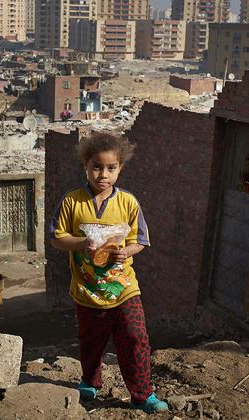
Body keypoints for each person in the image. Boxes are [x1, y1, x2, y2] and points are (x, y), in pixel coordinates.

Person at [50, 132, 169, 413]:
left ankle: (142, 393)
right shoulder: (72, 202)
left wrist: (125, 252)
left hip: (123, 285)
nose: (103, 174)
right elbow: (57, 238)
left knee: (135, 335)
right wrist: (82, 242)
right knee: (91, 339)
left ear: (120, 169)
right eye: (96, 166)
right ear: (85, 166)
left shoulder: (128, 203)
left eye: (111, 168)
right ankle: (90, 381)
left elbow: (139, 241)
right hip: (87, 287)